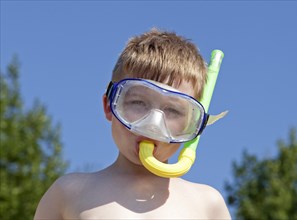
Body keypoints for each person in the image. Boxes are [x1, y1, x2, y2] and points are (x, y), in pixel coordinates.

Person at [34, 28, 231, 219]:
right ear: (110, 106)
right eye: (138, 102)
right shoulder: (68, 193)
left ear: (194, 126)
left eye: (172, 110)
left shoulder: (207, 203)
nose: (153, 125)